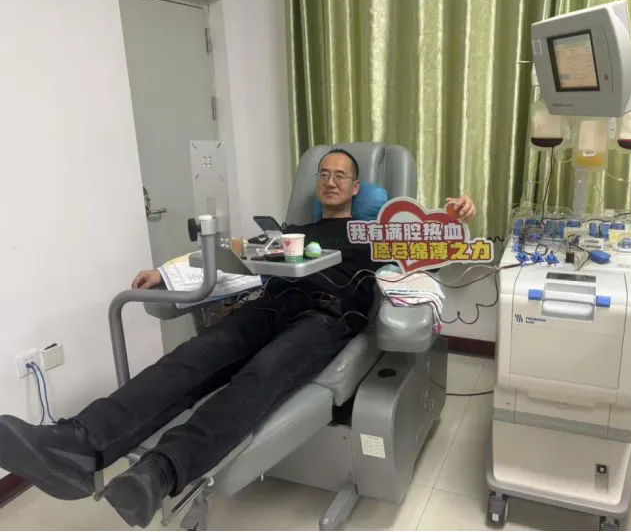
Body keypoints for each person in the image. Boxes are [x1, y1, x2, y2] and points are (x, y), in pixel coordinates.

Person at [0, 149, 476, 528]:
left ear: (356, 187)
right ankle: (76, 442)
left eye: (341, 176)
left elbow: (433, 249)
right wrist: (168, 272)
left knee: (260, 376)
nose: (330, 181)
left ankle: (161, 471)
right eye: (324, 174)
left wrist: (459, 218)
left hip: (326, 317)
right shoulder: (292, 231)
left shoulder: (375, 233)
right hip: (268, 306)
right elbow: (233, 259)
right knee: (189, 360)